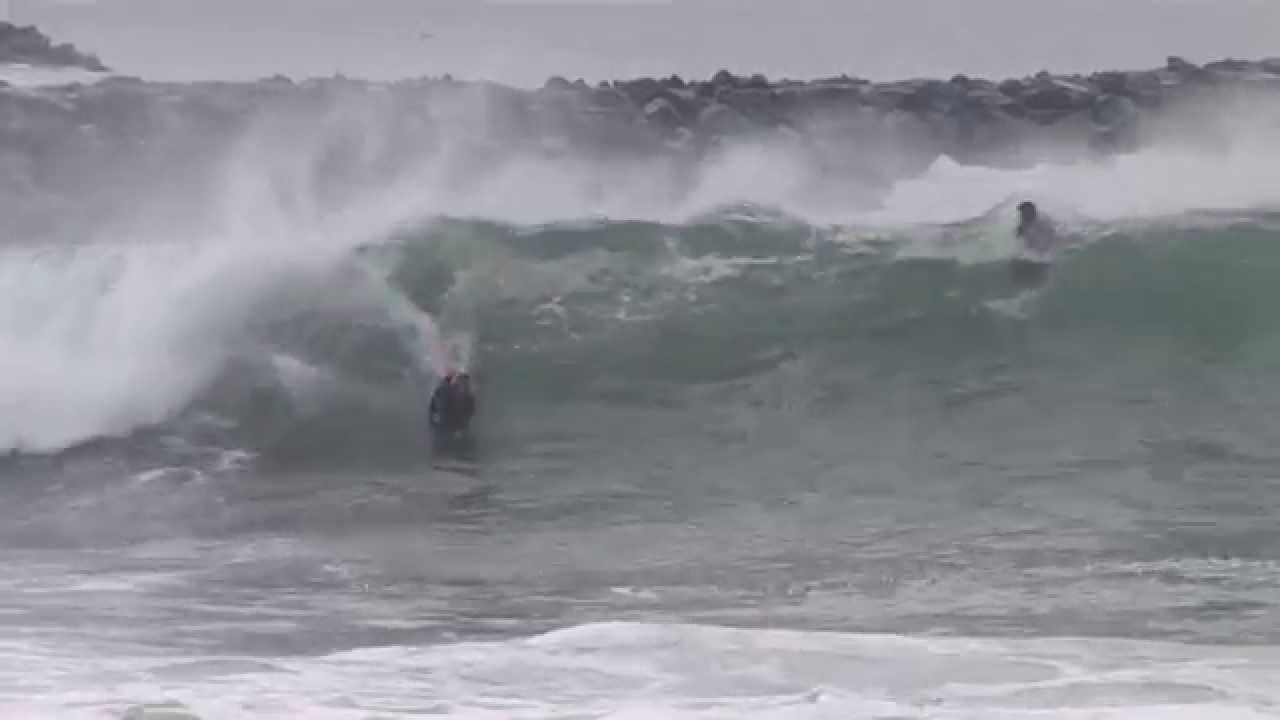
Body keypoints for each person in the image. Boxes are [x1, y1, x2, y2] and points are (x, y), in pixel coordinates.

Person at [1009, 201, 1061, 290]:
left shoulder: (1043, 222)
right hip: (1033, 255)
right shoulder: (1024, 223)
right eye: (1021, 213)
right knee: (1015, 264)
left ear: (1031, 212)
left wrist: (1042, 253)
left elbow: (1051, 238)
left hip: (1044, 257)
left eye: (1023, 212)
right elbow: (1019, 236)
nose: (1021, 215)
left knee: (1039, 276)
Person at [429, 370, 476, 437]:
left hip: (456, 427)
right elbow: (435, 406)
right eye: (462, 383)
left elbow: (469, 414)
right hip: (444, 426)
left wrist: (461, 428)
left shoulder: (469, 398)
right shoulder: (446, 391)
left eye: (466, 384)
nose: (464, 386)